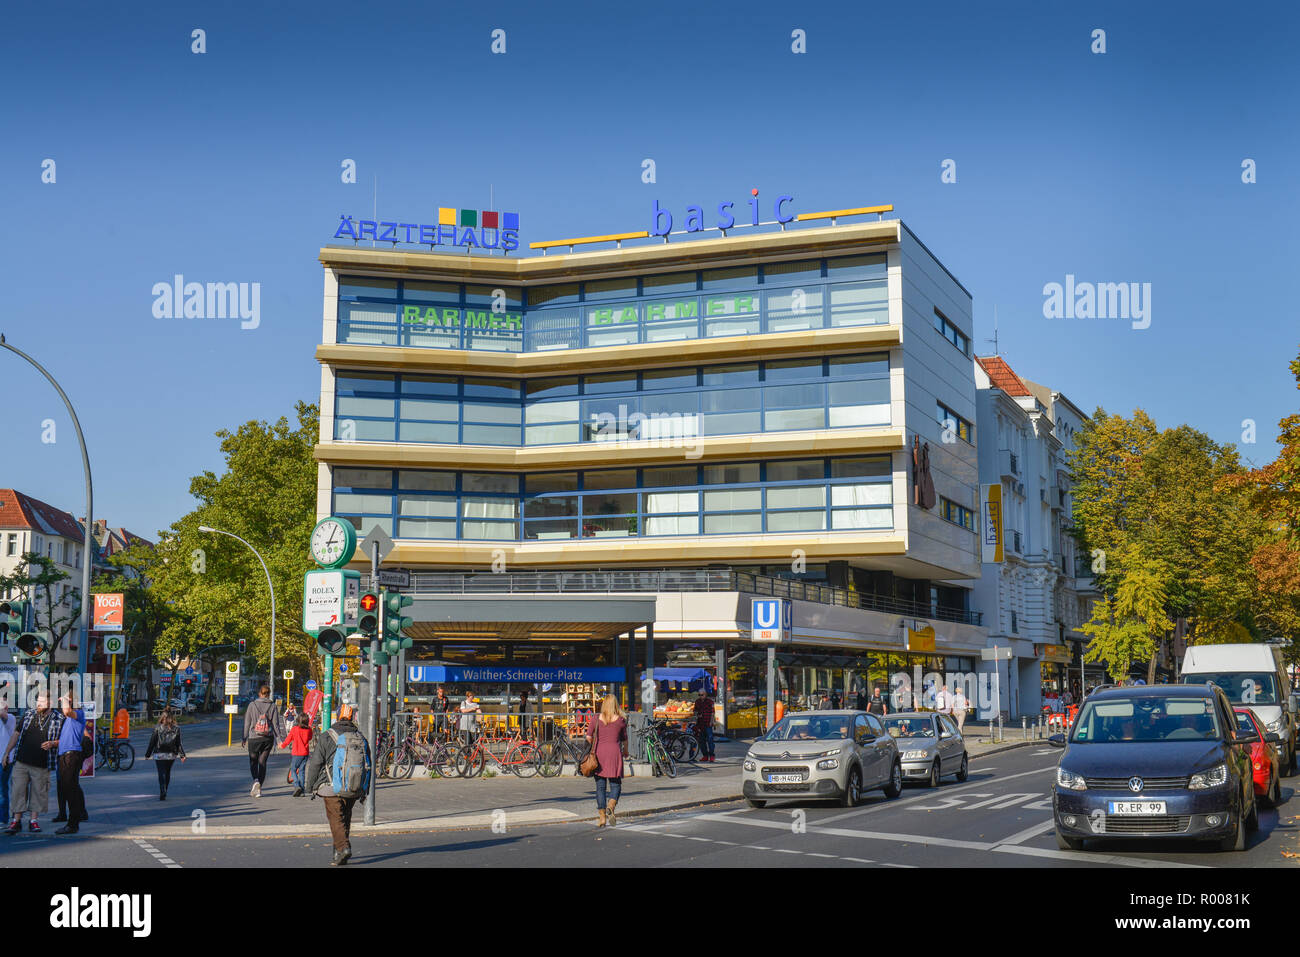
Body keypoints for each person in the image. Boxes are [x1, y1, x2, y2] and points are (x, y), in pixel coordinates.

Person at [305, 703, 370, 865]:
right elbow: (368, 765)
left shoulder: (327, 735)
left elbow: (315, 763)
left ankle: (343, 848)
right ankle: (338, 854)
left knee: (335, 818)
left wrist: (310, 785)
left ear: (337, 716)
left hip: (331, 786)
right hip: (353, 785)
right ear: (351, 717)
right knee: (345, 817)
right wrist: (365, 789)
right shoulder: (360, 736)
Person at [3, 692, 62, 834]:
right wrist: (7, 753)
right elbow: (16, 734)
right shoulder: (29, 715)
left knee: (38, 792)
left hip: (42, 763)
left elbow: (65, 740)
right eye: (37, 701)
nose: (38, 705)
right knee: (18, 791)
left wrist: (53, 743)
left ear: (50, 703)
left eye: (41, 702)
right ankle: (16, 821)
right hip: (22, 761)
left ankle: (33, 821)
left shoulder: (59, 718)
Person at [589, 695, 628, 828]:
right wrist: (626, 751)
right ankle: (611, 806)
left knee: (600, 787)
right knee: (616, 784)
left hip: (599, 754)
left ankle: (602, 817)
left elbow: (588, 736)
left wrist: (595, 743)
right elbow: (624, 739)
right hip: (614, 753)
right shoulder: (621, 720)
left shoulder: (596, 719)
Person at [242, 685, 285, 798]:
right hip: (268, 738)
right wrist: (279, 740)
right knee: (263, 762)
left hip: (254, 737)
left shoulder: (252, 705)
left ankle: (255, 780)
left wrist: (244, 737)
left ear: (259, 694)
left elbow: (247, 722)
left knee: (253, 761)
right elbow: (275, 724)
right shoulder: (273, 706)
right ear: (268, 694)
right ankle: (259, 787)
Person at [54, 694, 88, 834]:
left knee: (70, 789)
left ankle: (73, 824)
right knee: (69, 788)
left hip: (71, 755)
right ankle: (77, 816)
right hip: (65, 755)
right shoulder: (68, 719)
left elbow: (67, 711)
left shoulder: (78, 713)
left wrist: (65, 699)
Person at [144, 709, 186, 800]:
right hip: (171, 754)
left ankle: (162, 790)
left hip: (159, 754)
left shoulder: (157, 728)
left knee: (161, 772)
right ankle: (165, 789)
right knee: (167, 772)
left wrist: (148, 754)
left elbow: (152, 742)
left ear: (162, 718)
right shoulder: (177, 728)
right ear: (172, 718)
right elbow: (178, 743)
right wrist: (182, 755)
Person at [279, 712, 313, 796]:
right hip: (305, 753)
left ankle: (297, 785)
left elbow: (288, 739)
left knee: (294, 770)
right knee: (302, 771)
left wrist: (282, 746)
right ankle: (302, 790)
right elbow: (310, 738)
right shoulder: (309, 729)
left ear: (298, 720)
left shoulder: (295, 729)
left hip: (297, 753)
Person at [692, 685, 716, 763]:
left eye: (702, 695)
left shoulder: (710, 702)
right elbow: (695, 712)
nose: (700, 696)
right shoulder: (697, 701)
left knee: (710, 740)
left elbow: (712, 713)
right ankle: (705, 755)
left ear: (705, 694)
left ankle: (711, 755)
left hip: (708, 723)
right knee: (702, 741)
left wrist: (711, 722)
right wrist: (696, 716)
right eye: (699, 695)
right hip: (700, 724)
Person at [0, 699, 14, 828]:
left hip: (4, 760)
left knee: (2, 789)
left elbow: (3, 715)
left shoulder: (10, 718)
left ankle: (3, 819)